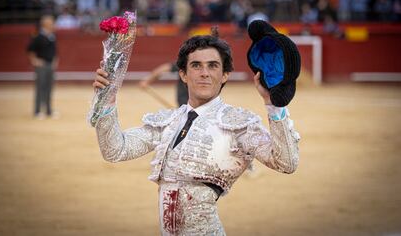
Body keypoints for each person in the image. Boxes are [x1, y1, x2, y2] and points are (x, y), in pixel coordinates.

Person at [92, 32, 300, 235]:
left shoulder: (238, 124)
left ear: (225, 75)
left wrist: (273, 105)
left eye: (213, 65)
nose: (204, 73)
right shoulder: (168, 122)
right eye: (196, 65)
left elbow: (286, 163)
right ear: (183, 74)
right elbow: (115, 150)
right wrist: (107, 99)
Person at [27, 15, 58, 119]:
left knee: (49, 88)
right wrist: (35, 60)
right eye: (51, 23)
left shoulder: (52, 36)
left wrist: (54, 61)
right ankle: (37, 111)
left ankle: (48, 111)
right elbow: (30, 50)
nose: (54, 25)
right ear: (45, 24)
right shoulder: (38, 36)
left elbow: (54, 51)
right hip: (41, 65)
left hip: (50, 65)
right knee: (40, 88)